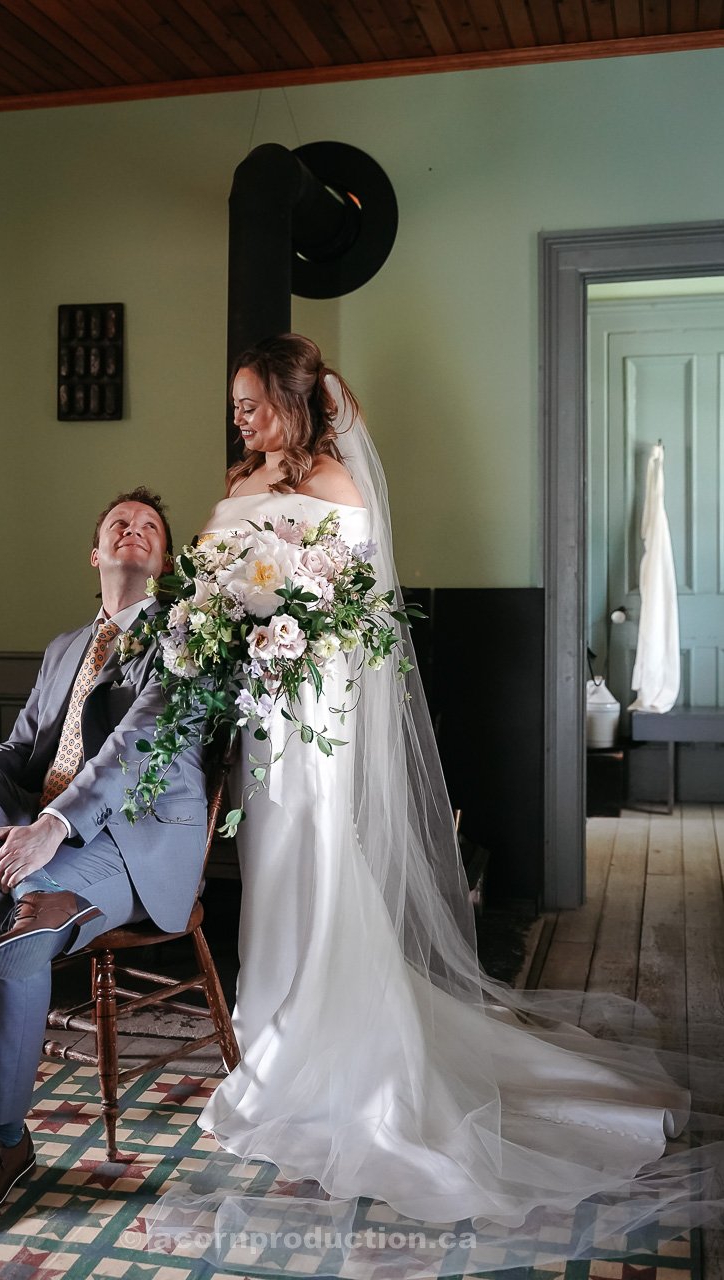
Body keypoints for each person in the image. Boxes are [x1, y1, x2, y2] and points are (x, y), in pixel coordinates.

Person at [152, 336, 723, 1275]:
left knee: (312, 855)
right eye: (236, 404)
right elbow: (224, 585)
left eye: (252, 402)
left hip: (311, 707)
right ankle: (271, 1037)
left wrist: (278, 631)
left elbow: (348, 611)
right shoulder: (241, 477)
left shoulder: (336, 483)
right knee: (269, 864)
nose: (240, 418)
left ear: (294, 402)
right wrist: (216, 628)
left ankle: (322, 1043)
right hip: (259, 713)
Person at [0, 487, 208, 1227]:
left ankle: (1, 1142)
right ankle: (20, 882)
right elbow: (29, 751)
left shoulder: (185, 640)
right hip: (38, 838)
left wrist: (52, 829)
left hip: (129, 843)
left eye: (149, 529)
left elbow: (131, 753)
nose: (133, 532)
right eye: (118, 525)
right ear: (96, 554)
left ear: (161, 562)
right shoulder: (65, 647)